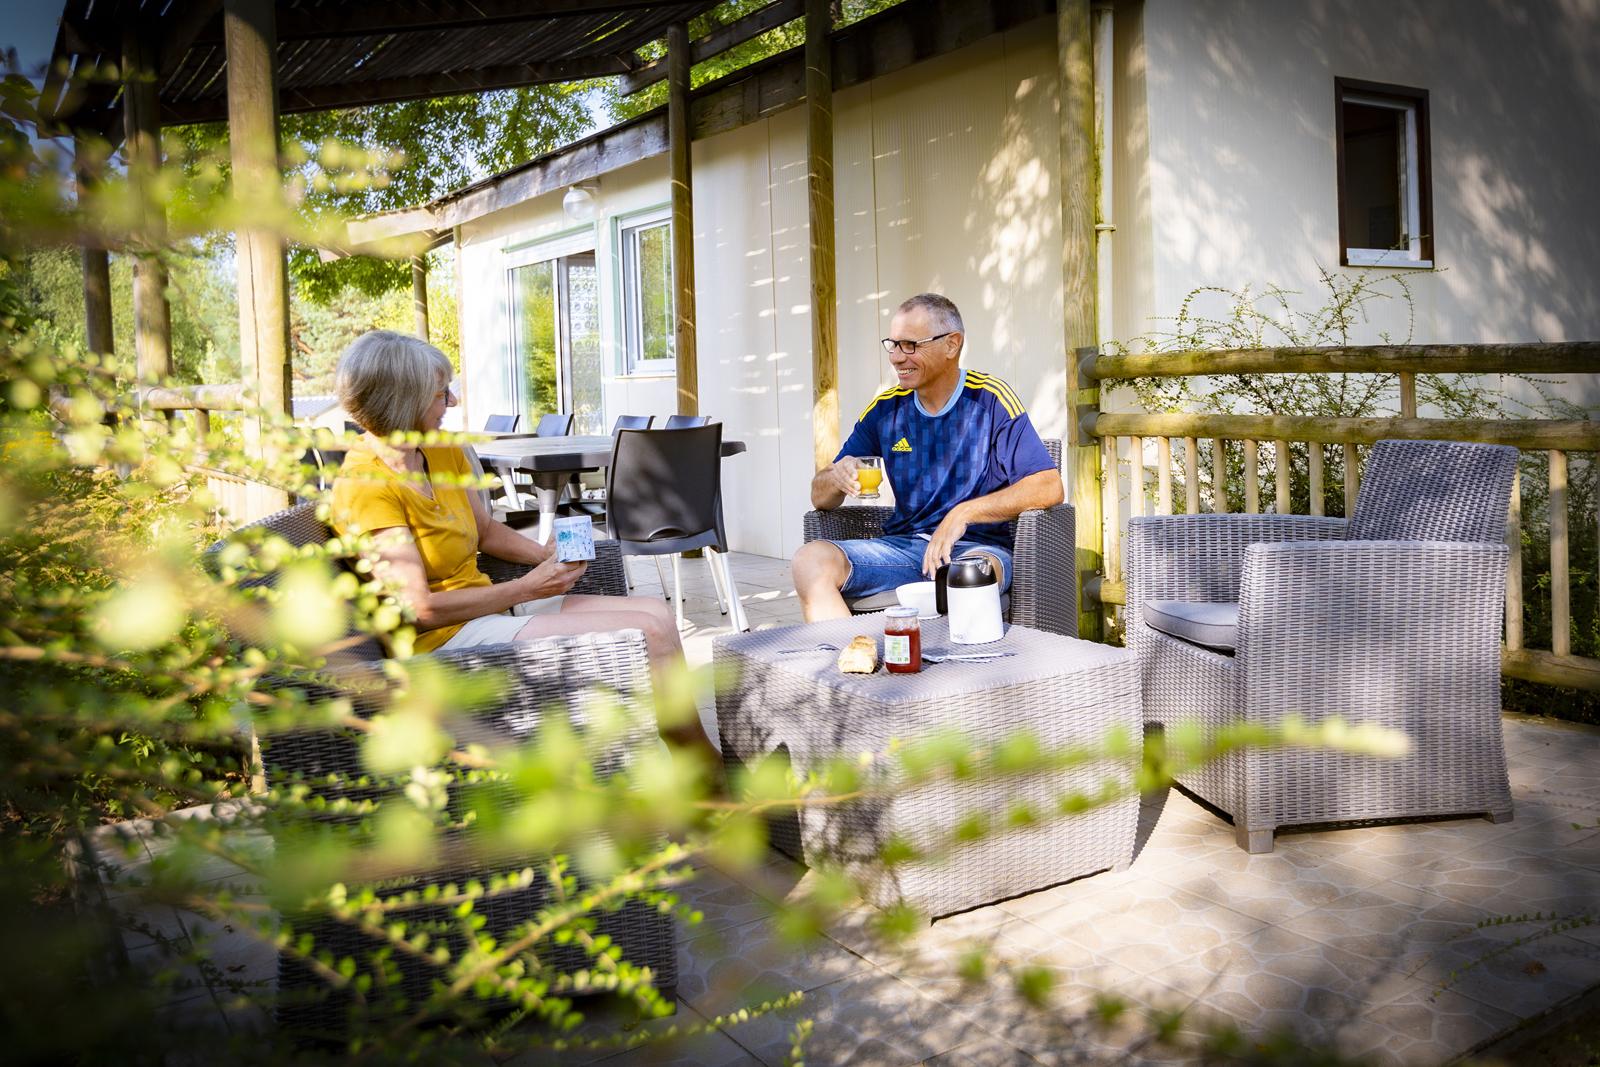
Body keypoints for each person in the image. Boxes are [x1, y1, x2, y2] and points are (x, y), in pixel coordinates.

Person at [328, 330, 718, 759]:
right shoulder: (366, 486)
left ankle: (691, 763)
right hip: (442, 641)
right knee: (647, 634)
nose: (452, 402)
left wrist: (543, 555)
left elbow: (484, 530)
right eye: (442, 394)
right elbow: (418, 610)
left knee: (657, 613)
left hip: (486, 607)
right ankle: (705, 770)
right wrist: (527, 588)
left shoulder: (439, 452)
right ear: (403, 402)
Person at [791, 293, 1064, 621]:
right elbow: (820, 499)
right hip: (902, 550)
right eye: (893, 345)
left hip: (977, 549)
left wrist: (963, 513)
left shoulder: (990, 400)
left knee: (967, 576)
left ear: (951, 344)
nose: (896, 357)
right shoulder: (885, 410)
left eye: (910, 345)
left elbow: (1049, 486)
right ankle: (855, 650)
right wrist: (835, 478)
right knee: (809, 562)